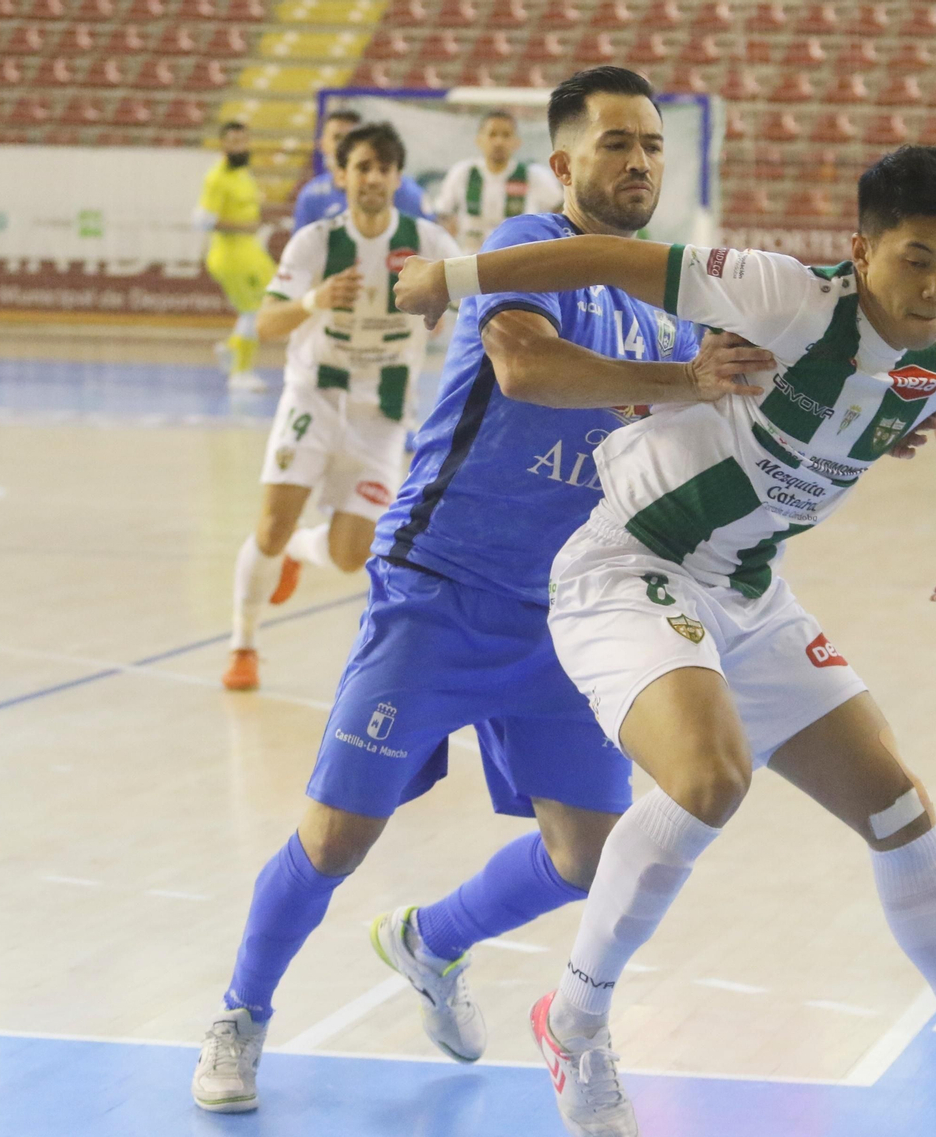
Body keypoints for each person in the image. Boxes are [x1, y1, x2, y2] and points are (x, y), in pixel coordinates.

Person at [395, 145, 936, 1135]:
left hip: (747, 591)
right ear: (861, 249)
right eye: (916, 259)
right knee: (709, 780)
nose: (935, 288)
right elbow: (612, 261)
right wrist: (450, 279)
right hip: (628, 567)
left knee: (896, 810)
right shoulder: (781, 296)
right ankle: (572, 1022)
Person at [191, 66, 773, 1114]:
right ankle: (241, 1011)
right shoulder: (520, 248)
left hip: (573, 611)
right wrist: (689, 380)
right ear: (563, 163)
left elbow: (726, 410)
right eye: (613, 144)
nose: (637, 161)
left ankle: (429, 941)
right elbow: (527, 369)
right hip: (440, 586)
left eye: (649, 144)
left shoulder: (670, 300)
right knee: (336, 839)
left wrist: (850, 417)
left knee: (586, 855)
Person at [220, 122, 460, 693]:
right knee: (272, 525)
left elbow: (477, 296)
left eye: (383, 168)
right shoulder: (316, 242)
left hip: (382, 416)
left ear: (397, 177)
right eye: (362, 167)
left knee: (352, 556)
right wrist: (315, 299)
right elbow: (268, 322)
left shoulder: (426, 241)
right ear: (342, 175)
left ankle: (305, 550)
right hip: (314, 399)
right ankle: (243, 644)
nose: (373, 178)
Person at [196, 121, 277, 393]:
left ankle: (231, 349)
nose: (239, 146)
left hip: (250, 251)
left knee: (271, 301)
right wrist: (242, 225)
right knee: (253, 311)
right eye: (233, 141)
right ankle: (241, 373)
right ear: (223, 144)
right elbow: (203, 219)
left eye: (243, 140)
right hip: (231, 255)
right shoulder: (217, 177)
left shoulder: (243, 172)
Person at [434, 109, 565, 253]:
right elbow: (442, 213)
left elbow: (561, 208)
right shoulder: (462, 173)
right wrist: (448, 226)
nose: (499, 142)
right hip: (469, 258)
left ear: (517, 142)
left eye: (506, 135)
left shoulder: (533, 175)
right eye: (492, 134)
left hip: (518, 259)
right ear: (479, 140)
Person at [294, 109, 435, 232]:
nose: (373, 180)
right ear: (322, 143)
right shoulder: (312, 196)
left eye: (351, 138)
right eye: (337, 138)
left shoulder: (408, 193)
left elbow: (429, 241)